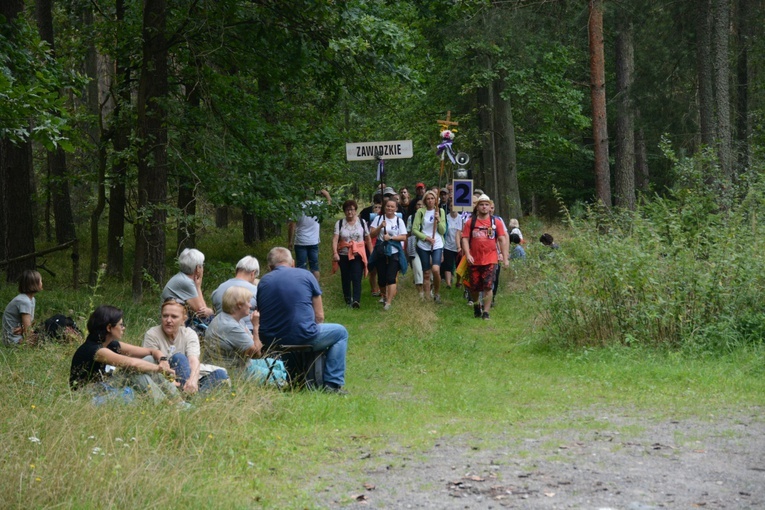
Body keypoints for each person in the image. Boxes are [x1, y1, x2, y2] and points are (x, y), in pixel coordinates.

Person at [257, 247, 349, 394]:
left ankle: (295, 379)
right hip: (302, 335)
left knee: (288, 333)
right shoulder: (306, 275)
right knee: (341, 333)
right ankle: (332, 383)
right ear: (292, 263)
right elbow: (319, 316)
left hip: (271, 340)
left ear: (270, 267)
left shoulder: (263, 282)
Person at [69, 305, 179, 404]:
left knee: (149, 359)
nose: (123, 328)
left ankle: (177, 401)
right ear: (109, 328)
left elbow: (151, 351)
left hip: (106, 386)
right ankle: (166, 404)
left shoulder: (111, 344)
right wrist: (159, 369)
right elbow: (132, 364)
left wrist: (163, 360)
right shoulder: (95, 350)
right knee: (134, 371)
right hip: (88, 394)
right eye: (121, 325)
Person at [143, 298, 229, 394]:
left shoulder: (189, 334)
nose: (168, 320)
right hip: (166, 381)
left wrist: (192, 380)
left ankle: (190, 398)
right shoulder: (152, 334)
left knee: (221, 374)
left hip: (188, 378)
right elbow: (150, 364)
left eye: (174, 317)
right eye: (165, 316)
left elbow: (193, 360)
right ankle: (188, 398)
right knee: (178, 358)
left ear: (183, 319)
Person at [205, 287, 270, 381]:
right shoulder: (231, 326)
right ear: (239, 305)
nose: (250, 306)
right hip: (233, 371)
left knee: (280, 364)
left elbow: (253, 344)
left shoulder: (231, 319)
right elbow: (256, 354)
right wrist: (256, 326)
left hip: (242, 364)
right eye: (248, 301)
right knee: (283, 375)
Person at [461, 194, 509, 320]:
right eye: (481, 204)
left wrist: (505, 257)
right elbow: (465, 239)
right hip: (474, 259)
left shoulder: (496, 222)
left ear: (490, 207)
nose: (484, 207)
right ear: (477, 207)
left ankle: (486, 312)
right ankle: (477, 305)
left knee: (488, 286)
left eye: (486, 205)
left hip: (490, 258)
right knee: (475, 287)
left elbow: (502, 239)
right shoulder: (470, 222)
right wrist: (468, 254)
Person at [332, 200, 372, 308]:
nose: (350, 212)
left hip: (357, 254)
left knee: (356, 276)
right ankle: (347, 299)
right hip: (343, 254)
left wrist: (371, 254)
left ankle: (356, 300)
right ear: (344, 211)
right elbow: (335, 239)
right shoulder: (339, 223)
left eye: (352, 210)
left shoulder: (362, 222)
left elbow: (368, 239)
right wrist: (335, 253)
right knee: (345, 277)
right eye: (347, 210)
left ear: (355, 210)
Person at [369, 198, 408, 310]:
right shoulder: (378, 218)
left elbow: (404, 237)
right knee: (381, 278)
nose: (389, 208)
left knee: (391, 277)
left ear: (396, 208)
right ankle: (384, 295)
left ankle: (388, 302)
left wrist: (391, 237)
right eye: (388, 206)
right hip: (381, 252)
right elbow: (371, 234)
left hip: (394, 252)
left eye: (392, 206)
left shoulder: (398, 221)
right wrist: (380, 226)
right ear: (384, 207)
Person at [288, 189, 331, 281]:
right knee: (314, 267)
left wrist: (290, 241)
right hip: (313, 241)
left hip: (300, 241)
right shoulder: (318, 205)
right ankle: (315, 288)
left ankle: (302, 288)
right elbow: (329, 204)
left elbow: (292, 225)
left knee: (301, 267)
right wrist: (326, 194)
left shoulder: (297, 206)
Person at [412, 190, 446, 303]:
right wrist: (426, 238)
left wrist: (438, 219)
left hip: (437, 244)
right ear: (425, 200)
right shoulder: (421, 212)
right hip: (424, 245)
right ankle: (427, 298)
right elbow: (415, 229)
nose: (430, 200)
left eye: (432, 198)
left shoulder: (440, 211)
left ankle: (436, 293)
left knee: (436, 270)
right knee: (426, 273)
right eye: (428, 198)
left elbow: (443, 230)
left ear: (436, 200)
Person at [211, 255, 260, 333]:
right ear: (253, 273)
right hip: (248, 333)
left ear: (236, 270)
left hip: (219, 332)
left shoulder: (219, 289)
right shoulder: (256, 291)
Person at [161, 248, 214, 319]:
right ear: (198, 268)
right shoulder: (186, 282)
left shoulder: (182, 278)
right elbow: (202, 313)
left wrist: (198, 286)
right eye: (202, 265)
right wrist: (211, 311)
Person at [2, 270, 42, 346]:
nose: (41, 283)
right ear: (34, 283)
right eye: (40, 281)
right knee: (46, 337)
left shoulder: (31, 299)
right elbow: (28, 330)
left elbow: (28, 324)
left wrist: (23, 329)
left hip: (19, 335)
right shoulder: (24, 301)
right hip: (13, 340)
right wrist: (26, 330)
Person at [406, 198, 425, 298]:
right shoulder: (411, 218)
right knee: (417, 269)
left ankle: (429, 291)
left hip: (427, 245)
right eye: (418, 205)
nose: (420, 207)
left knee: (428, 270)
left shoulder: (428, 217)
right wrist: (407, 248)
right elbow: (408, 233)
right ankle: (420, 293)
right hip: (414, 245)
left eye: (422, 205)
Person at [441, 206, 464, 289]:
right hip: (448, 245)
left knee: (459, 266)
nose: (453, 208)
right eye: (451, 206)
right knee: (448, 265)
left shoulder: (462, 218)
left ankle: (458, 282)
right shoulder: (446, 218)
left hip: (459, 247)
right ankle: (448, 284)